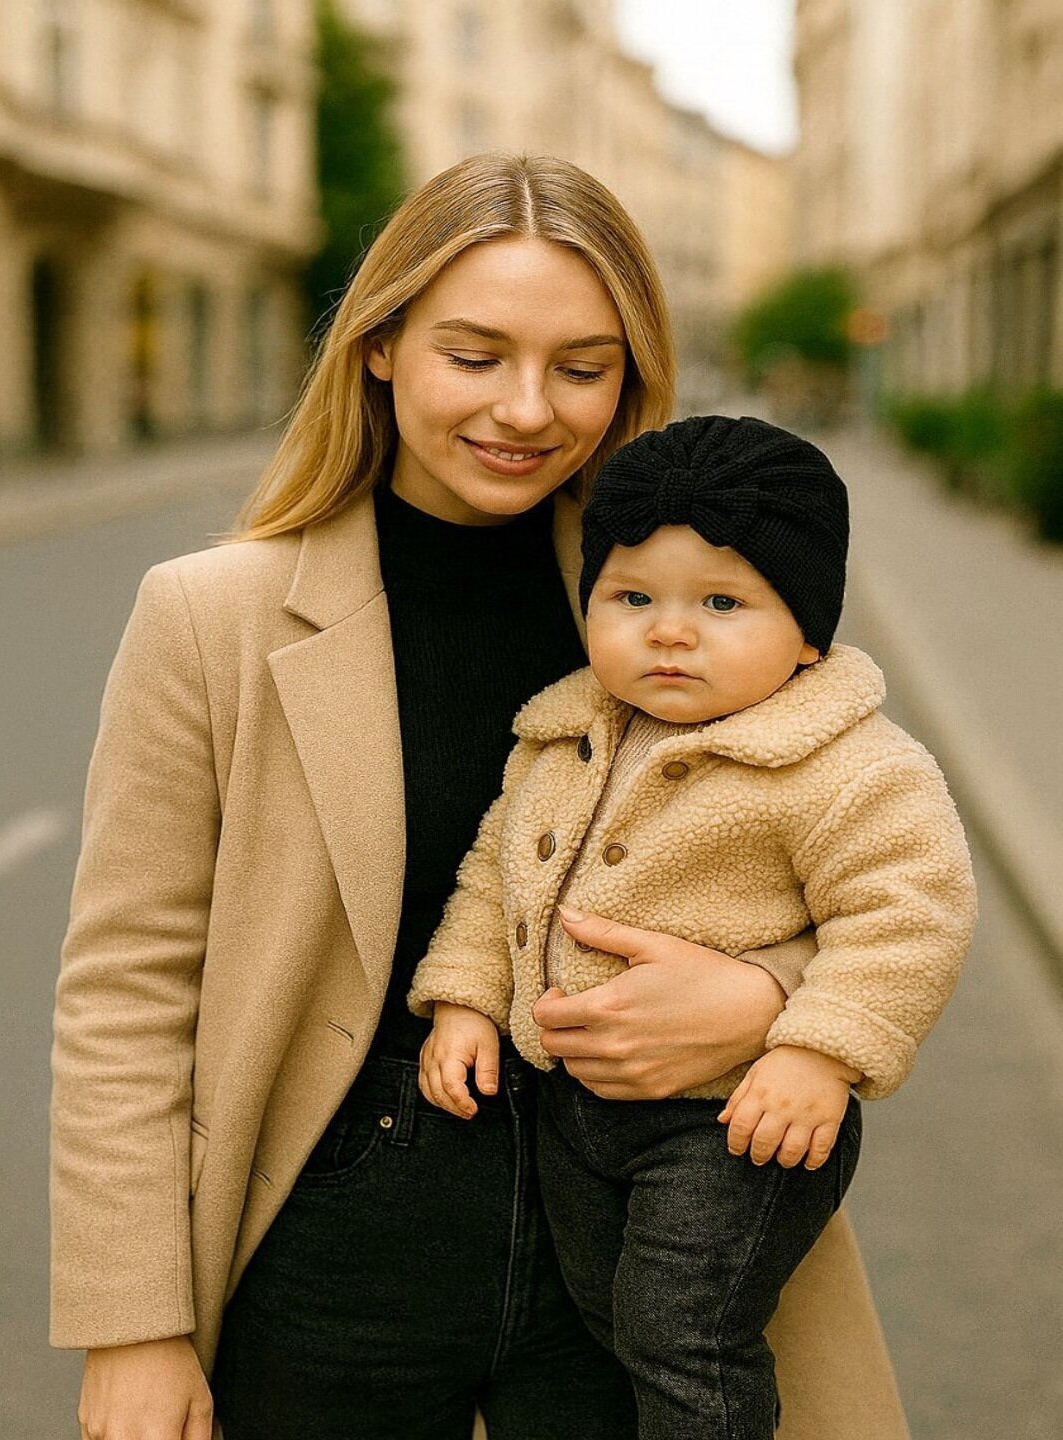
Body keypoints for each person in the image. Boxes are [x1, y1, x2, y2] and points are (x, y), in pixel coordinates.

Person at [51, 155, 912, 1440]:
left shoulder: (678, 602)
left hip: (637, 1232)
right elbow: (129, 988)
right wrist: (133, 1324)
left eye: (581, 366)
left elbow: (867, 849)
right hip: (335, 1241)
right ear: (384, 345)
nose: (527, 409)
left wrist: (771, 999)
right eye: (475, 354)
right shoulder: (210, 617)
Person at [410, 414, 977, 1438]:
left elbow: (908, 912)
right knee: (607, 1320)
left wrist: (818, 1053)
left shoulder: (846, 765)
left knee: (684, 1330)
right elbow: (494, 881)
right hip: (575, 1114)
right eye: (633, 599)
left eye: (722, 603)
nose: (670, 631)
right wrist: (462, 1000)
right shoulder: (561, 734)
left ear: (806, 633)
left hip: (733, 1121)